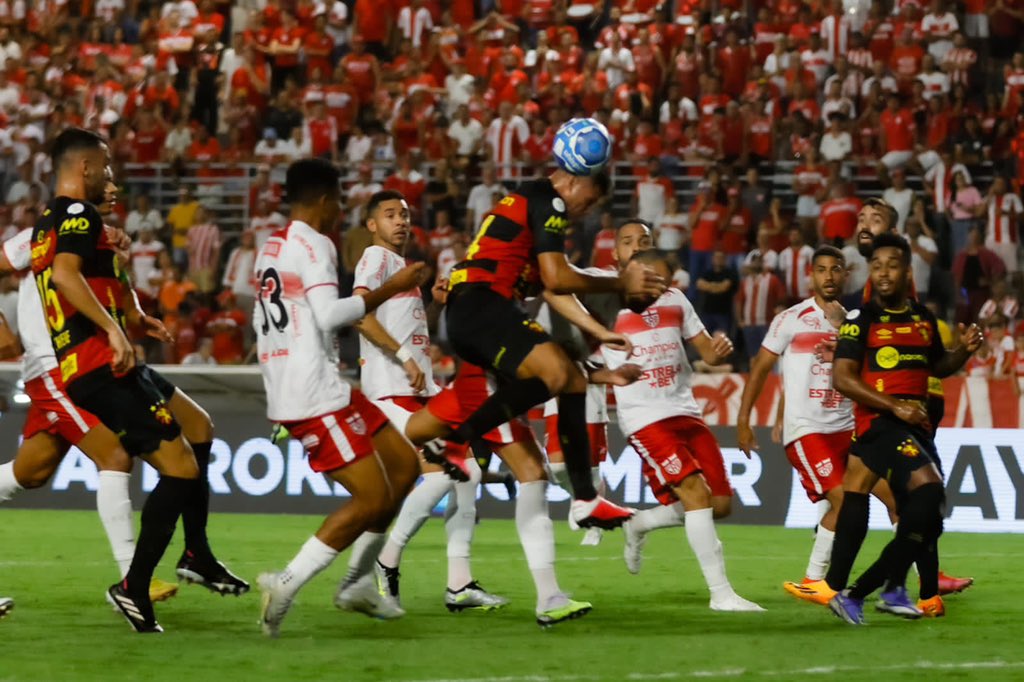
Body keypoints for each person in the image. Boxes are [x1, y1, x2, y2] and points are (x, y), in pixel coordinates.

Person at [30, 129, 246, 634]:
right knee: (181, 469)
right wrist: (111, 327)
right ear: (84, 168)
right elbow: (66, 277)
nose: (111, 174)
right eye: (104, 165)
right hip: (98, 362)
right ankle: (133, 585)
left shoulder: (51, 221)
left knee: (199, 426)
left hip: (101, 357)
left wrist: (134, 314)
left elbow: (100, 274)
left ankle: (197, 553)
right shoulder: (79, 215)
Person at [441, 118, 665, 529]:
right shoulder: (552, 203)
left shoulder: (529, 200)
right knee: (560, 372)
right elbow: (558, 276)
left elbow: (552, 289)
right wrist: (622, 281)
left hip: (474, 311)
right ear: (580, 181)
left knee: (570, 378)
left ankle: (585, 500)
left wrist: (600, 332)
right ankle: (458, 440)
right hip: (483, 306)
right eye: (590, 202)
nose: (586, 211)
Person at [254, 159, 429, 637]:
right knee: (374, 498)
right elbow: (331, 315)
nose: (340, 212)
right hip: (311, 390)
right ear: (326, 200)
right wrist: (393, 287)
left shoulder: (271, 245)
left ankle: (355, 584)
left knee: (404, 467)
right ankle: (285, 582)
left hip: (317, 381)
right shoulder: (315, 243)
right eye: (339, 201)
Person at [352, 189, 505, 612]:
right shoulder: (375, 259)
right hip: (389, 392)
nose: (400, 221)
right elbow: (360, 315)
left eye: (404, 214)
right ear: (372, 225)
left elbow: (406, 330)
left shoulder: (402, 268)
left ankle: (459, 584)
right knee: (444, 476)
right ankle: (386, 560)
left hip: (417, 391)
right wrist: (402, 357)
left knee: (469, 471)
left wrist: (435, 307)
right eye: (389, 215)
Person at [825, 233, 981, 624]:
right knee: (929, 491)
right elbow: (842, 378)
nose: (883, 273)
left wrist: (963, 351)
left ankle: (873, 590)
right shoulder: (861, 320)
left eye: (891, 265)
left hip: (914, 429)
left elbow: (937, 367)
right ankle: (872, 590)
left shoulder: (922, 317)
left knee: (930, 517)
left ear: (907, 271)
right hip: (880, 424)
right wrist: (895, 405)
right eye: (876, 266)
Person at [603, 247, 763, 612]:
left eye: (663, 280)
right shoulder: (610, 309)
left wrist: (718, 350)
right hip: (644, 416)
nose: (657, 286)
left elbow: (706, 352)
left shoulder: (676, 301)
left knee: (720, 504)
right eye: (651, 278)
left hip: (685, 410)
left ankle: (640, 522)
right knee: (694, 492)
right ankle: (721, 594)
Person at [738, 246, 861, 591]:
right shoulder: (791, 318)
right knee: (846, 502)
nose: (829, 276)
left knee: (885, 500)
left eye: (835, 269)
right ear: (812, 275)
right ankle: (817, 579)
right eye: (821, 270)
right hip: (808, 430)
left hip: (847, 427)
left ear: (844, 274)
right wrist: (744, 421)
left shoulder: (852, 323)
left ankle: (917, 579)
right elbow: (762, 368)